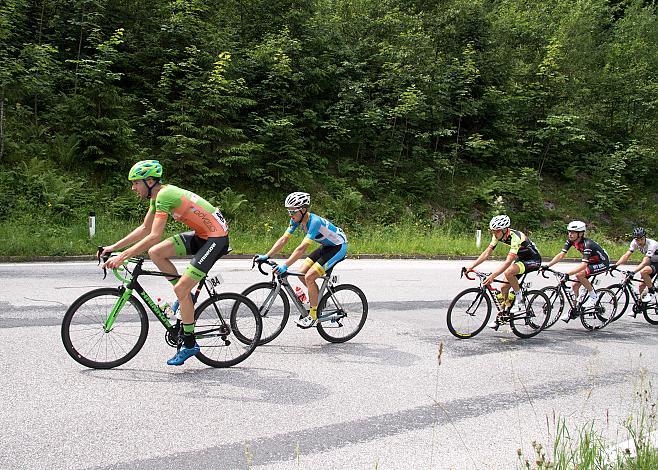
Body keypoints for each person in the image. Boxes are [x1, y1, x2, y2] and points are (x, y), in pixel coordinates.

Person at [101, 160, 229, 365]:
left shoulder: (165, 195)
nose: (133, 188)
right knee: (156, 253)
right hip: (202, 235)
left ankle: (189, 344)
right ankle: (183, 296)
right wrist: (114, 248)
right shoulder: (157, 195)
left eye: (135, 183)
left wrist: (122, 256)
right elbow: (145, 228)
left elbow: (154, 235)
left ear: (149, 181)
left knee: (179, 286)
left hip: (216, 239)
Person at [256, 192, 347, 328]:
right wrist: (267, 255)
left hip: (338, 247)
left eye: (293, 211)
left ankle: (313, 315)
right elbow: (284, 239)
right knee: (301, 273)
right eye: (288, 211)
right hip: (326, 246)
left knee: (309, 277)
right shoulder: (295, 220)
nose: (290, 214)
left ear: (303, 210)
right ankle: (319, 301)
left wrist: (285, 265)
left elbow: (302, 248)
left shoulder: (314, 222)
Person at [465, 215, 542, 328]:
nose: (494, 234)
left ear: (504, 229)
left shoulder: (516, 237)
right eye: (492, 231)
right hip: (521, 259)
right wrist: (471, 266)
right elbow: (487, 253)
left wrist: (492, 276)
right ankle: (504, 315)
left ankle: (519, 300)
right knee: (503, 288)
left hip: (533, 260)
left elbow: (507, 262)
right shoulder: (497, 235)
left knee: (509, 272)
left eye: (496, 231)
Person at [541, 220, 609, 321]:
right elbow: (561, 255)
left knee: (579, 275)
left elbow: (583, 265)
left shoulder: (588, 244)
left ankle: (593, 296)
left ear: (580, 234)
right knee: (574, 286)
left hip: (601, 263)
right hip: (591, 262)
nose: (570, 234)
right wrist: (548, 265)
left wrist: (568, 274)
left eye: (573, 232)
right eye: (569, 232)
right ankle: (574, 310)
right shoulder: (571, 241)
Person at [611, 227, 658, 303]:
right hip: (652, 260)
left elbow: (645, 261)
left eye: (641, 239)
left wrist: (634, 272)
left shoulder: (652, 244)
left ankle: (652, 291)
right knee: (641, 285)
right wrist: (615, 265)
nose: (639, 242)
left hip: (656, 261)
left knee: (644, 271)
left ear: (645, 237)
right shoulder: (634, 242)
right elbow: (626, 255)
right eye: (637, 240)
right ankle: (640, 305)